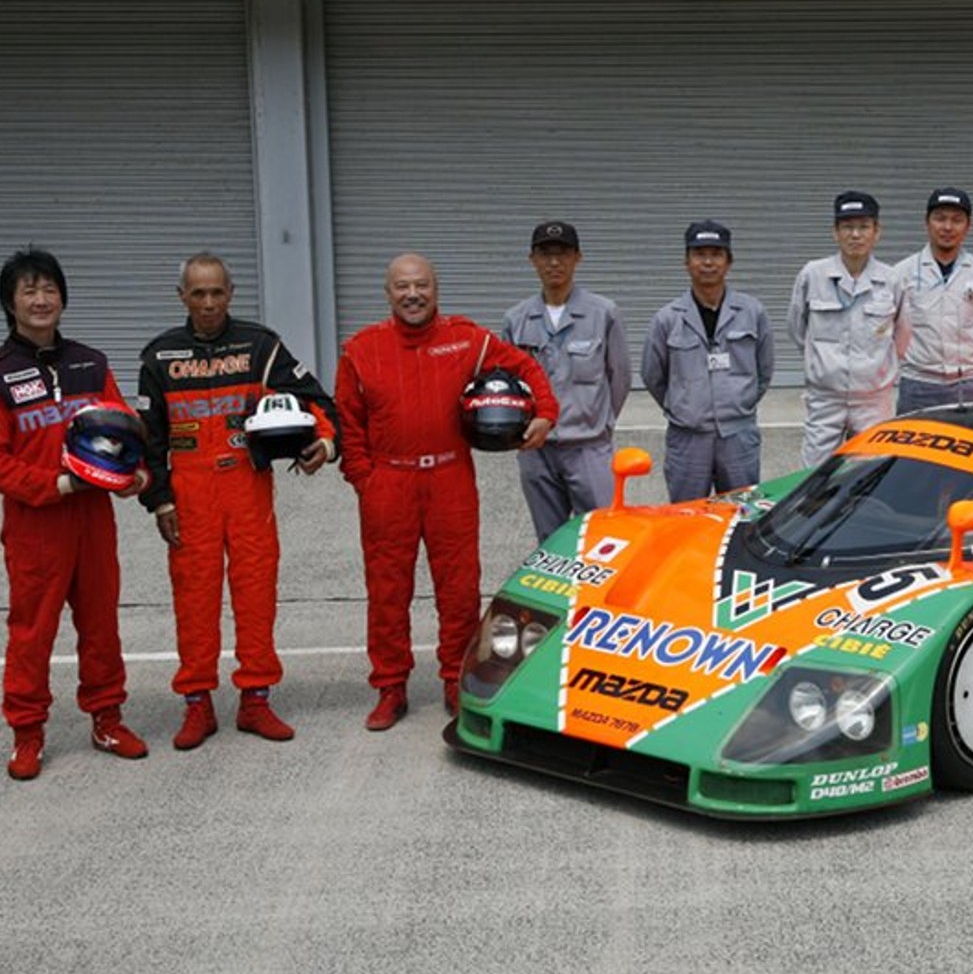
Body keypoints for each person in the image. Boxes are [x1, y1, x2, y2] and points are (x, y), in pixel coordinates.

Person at [336, 253, 558, 729]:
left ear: (436, 289)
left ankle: (456, 680)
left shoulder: (468, 340)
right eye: (402, 286)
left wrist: (545, 414)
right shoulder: (361, 350)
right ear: (388, 292)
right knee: (387, 590)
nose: (413, 295)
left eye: (422, 285)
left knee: (459, 589)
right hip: (388, 484)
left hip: (450, 479)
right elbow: (348, 423)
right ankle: (390, 686)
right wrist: (365, 481)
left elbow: (527, 368)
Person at [137, 253, 339, 750]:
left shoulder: (259, 346)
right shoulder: (159, 356)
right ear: (182, 297)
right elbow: (149, 440)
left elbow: (318, 401)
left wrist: (325, 443)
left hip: (247, 487)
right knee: (194, 599)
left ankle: (256, 699)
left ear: (231, 293)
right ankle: (197, 703)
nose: (208, 303)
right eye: (198, 293)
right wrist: (160, 502)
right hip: (190, 494)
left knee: (256, 594)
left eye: (216, 293)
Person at [0, 247, 150, 780]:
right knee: (33, 630)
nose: (41, 300)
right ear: (10, 303)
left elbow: (122, 426)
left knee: (101, 623)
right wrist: (57, 484)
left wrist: (135, 475)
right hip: (36, 523)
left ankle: (107, 718)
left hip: (93, 518)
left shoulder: (90, 363)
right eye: (29, 291)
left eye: (49, 289)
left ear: (63, 298)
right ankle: (27, 733)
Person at [501, 221, 631, 541]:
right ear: (532, 260)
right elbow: (510, 386)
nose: (554, 262)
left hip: (588, 447)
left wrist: (599, 423)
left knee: (601, 538)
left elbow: (620, 377)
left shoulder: (603, 313)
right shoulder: (516, 320)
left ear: (578, 258)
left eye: (563, 254)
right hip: (537, 450)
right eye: (545, 254)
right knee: (550, 542)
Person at [641, 222, 774, 501]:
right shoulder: (667, 318)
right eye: (699, 254)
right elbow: (653, 375)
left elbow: (764, 370)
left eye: (716, 254)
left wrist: (740, 404)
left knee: (740, 514)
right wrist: (683, 406)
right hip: (688, 439)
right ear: (686, 262)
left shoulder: (752, 312)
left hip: (738, 436)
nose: (708, 262)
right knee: (685, 516)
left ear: (729, 262)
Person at [787, 190, 901, 468]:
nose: (855, 235)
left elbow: (902, 336)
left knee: (873, 472)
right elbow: (797, 329)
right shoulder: (813, 274)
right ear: (835, 232)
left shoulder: (892, 279)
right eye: (847, 227)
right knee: (814, 474)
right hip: (825, 396)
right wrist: (822, 364)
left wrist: (877, 369)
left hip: (873, 399)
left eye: (864, 227)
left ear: (877, 232)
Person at [893, 187, 973, 412]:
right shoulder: (902, 273)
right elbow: (890, 330)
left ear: (968, 226)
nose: (948, 227)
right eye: (940, 218)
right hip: (918, 384)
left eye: (957, 220)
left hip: (969, 384)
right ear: (927, 222)